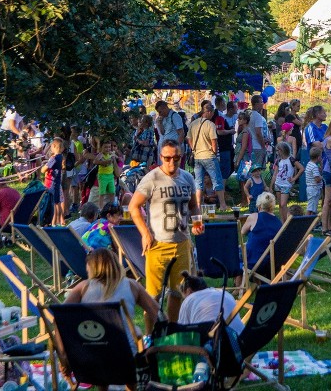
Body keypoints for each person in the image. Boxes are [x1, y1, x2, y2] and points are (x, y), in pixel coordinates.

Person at [128, 138, 200, 332]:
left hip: (182, 242)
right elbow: (133, 206)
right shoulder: (152, 178)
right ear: (160, 157)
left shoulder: (187, 177)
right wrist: (145, 233)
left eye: (176, 158)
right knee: (153, 296)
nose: (172, 162)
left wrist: (198, 221)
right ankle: (151, 336)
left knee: (178, 292)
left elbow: (193, 206)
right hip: (158, 244)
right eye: (167, 158)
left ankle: (172, 330)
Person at [64, 248, 160, 355]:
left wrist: (64, 356)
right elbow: (159, 315)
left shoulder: (83, 287)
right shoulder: (132, 286)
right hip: (125, 355)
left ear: (91, 268)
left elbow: (60, 317)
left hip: (90, 354)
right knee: (136, 333)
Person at [187, 103, 228, 210]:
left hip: (197, 156)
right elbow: (214, 141)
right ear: (209, 112)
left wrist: (194, 149)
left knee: (198, 182)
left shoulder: (193, 123)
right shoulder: (210, 124)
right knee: (217, 180)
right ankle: (223, 205)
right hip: (209, 155)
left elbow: (189, 139)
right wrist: (214, 152)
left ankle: (198, 206)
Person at [177, 271, 245, 334]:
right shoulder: (225, 293)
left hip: (213, 342)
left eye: (184, 296)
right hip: (239, 339)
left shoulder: (189, 300)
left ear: (189, 291)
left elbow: (182, 332)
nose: (185, 299)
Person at [241, 192, 282, 268]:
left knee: (237, 252)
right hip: (273, 263)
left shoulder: (254, 217)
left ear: (259, 206)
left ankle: (242, 278)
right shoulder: (278, 222)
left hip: (253, 261)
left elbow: (242, 232)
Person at [271, 142, 303, 221]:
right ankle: (283, 221)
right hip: (278, 183)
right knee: (280, 205)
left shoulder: (291, 159)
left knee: (283, 204)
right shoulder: (279, 160)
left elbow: (301, 168)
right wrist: (271, 186)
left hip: (286, 185)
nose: (277, 152)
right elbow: (275, 173)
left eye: (278, 150)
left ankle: (287, 221)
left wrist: (294, 178)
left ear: (282, 150)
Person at [41, 138, 65, 225]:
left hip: (52, 183)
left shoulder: (54, 158)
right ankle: (59, 221)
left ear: (54, 146)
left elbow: (43, 170)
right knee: (58, 202)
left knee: (54, 204)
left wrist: (43, 166)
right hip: (57, 183)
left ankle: (54, 222)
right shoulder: (60, 157)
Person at [247, 94, 269, 168]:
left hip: (250, 145)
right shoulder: (258, 116)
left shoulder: (249, 114)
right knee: (257, 169)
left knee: (251, 168)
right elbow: (258, 133)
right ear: (256, 104)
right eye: (261, 102)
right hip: (257, 146)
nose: (263, 103)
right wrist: (263, 146)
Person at [93, 140, 117, 207]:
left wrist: (116, 158)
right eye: (106, 147)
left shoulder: (111, 154)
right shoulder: (101, 155)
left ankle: (113, 206)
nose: (108, 149)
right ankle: (100, 208)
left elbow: (118, 158)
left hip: (110, 176)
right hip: (103, 176)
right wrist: (104, 162)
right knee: (102, 193)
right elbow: (95, 161)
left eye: (109, 147)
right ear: (101, 148)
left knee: (112, 192)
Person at [304, 146, 323, 216]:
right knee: (310, 208)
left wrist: (320, 165)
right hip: (314, 189)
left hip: (310, 188)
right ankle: (306, 221)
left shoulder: (309, 164)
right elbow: (317, 179)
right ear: (318, 157)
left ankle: (313, 222)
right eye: (321, 156)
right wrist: (322, 177)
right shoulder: (314, 167)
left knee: (313, 208)